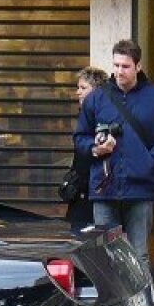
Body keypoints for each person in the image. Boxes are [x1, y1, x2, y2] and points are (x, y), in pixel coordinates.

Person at [75, 39, 154, 263]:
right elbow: (80, 137)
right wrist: (95, 149)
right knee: (105, 256)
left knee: (138, 255)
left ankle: (142, 298)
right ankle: (112, 299)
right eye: (115, 65)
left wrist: (149, 161)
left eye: (125, 66)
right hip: (104, 189)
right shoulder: (96, 98)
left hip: (140, 189)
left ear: (137, 67)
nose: (118, 71)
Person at [66, 65, 106, 231]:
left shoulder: (103, 118)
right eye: (78, 87)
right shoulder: (83, 115)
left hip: (94, 194)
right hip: (80, 194)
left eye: (83, 88)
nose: (78, 92)